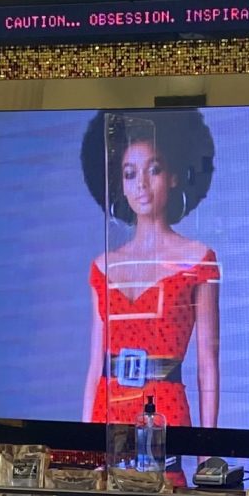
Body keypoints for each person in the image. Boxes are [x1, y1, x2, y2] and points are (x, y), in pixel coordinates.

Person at [80, 108, 220, 428]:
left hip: (164, 408)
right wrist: (83, 440)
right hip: (107, 409)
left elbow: (208, 364)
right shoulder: (102, 267)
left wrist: (208, 446)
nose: (141, 184)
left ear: (173, 176)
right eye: (130, 174)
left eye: (153, 170)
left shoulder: (198, 259)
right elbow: (94, 366)